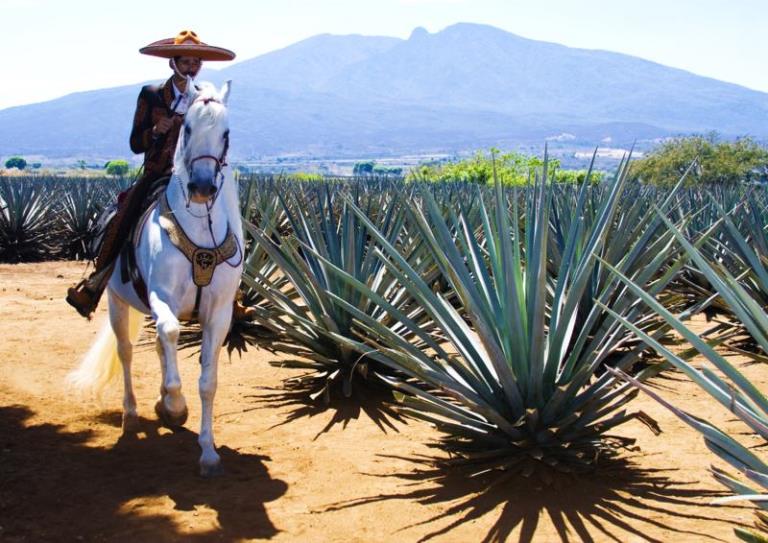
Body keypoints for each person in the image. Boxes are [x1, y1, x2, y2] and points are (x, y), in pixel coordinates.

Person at [67, 30, 252, 321]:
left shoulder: (206, 98)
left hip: (193, 176)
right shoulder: (151, 96)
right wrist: (155, 131)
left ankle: (233, 294)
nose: (191, 67)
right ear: (173, 63)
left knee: (229, 219)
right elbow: (134, 142)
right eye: (186, 61)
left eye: (196, 62)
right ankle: (95, 284)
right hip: (157, 175)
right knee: (123, 216)